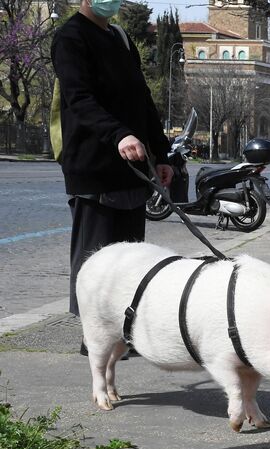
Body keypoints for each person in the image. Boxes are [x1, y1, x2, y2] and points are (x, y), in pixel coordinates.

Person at [51, 0, 173, 318]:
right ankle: (92, 338)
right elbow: (79, 98)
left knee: (130, 260)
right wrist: (118, 134)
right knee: (96, 261)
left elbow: (142, 98)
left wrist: (161, 153)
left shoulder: (119, 36)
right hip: (93, 166)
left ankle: (125, 330)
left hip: (131, 168)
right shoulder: (71, 37)